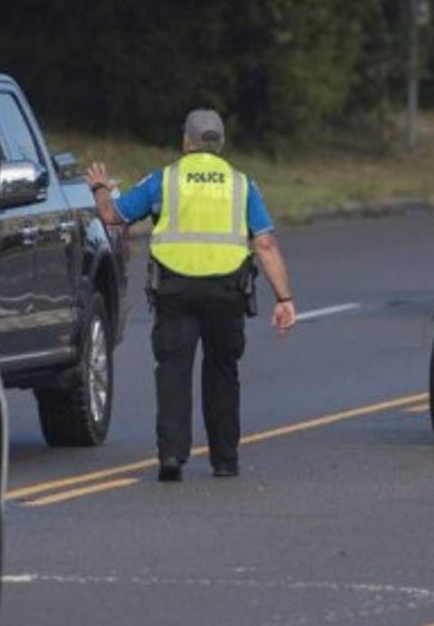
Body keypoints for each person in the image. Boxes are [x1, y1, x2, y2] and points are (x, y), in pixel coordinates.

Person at [86, 109, 297, 482]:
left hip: (174, 290)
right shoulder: (241, 184)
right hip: (227, 291)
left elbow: (111, 216)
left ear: (186, 140)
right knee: (222, 372)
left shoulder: (163, 181)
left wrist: (100, 186)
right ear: (222, 142)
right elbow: (264, 242)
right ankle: (225, 459)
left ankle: (171, 456)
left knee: (173, 371)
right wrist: (284, 299)